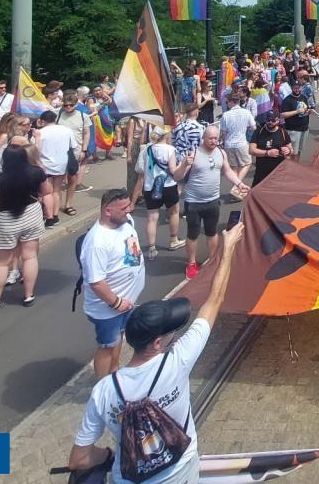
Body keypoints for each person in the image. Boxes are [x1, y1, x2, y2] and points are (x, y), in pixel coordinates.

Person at [67, 222, 244, 484]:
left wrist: (107, 454)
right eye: (172, 330)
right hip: (181, 472)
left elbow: (78, 460)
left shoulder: (104, 391)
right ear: (158, 343)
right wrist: (228, 249)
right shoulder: (177, 362)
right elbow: (214, 300)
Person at [0, 118, 48, 313]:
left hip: (5, 221)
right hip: (31, 216)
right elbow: (47, 191)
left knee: (2, 263)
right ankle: (28, 295)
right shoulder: (36, 173)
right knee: (29, 257)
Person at [80, 188, 147, 380]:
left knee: (118, 337)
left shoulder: (125, 222)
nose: (130, 210)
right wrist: (117, 303)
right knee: (107, 345)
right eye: (124, 208)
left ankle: (114, 371)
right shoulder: (97, 242)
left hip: (125, 302)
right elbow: (96, 282)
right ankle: (102, 387)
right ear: (108, 211)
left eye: (129, 205)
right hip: (108, 308)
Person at [173, 126, 247, 281]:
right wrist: (185, 164)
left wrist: (239, 183)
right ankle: (191, 263)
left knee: (212, 232)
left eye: (216, 138)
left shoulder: (221, 153)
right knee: (193, 234)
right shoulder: (193, 154)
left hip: (213, 200)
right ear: (204, 138)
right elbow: (177, 176)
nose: (214, 141)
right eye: (210, 138)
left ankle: (213, 260)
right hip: (193, 202)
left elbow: (227, 171)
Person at [129, 127, 184, 261]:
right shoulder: (170, 149)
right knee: (173, 212)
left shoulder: (148, 149)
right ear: (166, 135)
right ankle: (173, 240)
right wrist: (182, 164)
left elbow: (144, 168)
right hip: (168, 186)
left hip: (150, 186)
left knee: (152, 218)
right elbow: (172, 170)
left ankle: (152, 248)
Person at [35, 110, 79, 226]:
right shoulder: (66, 130)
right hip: (62, 163)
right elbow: (74, 147)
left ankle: (48, 216)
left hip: (45, 165)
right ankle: (55, 215)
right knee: (57, 190)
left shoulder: (39, 133)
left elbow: (35, 150)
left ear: (42, 120)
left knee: (46, 192)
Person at [217, 92, 255, 186]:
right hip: (241, 142)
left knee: (234, 167)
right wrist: (245, 127)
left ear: (231, 102)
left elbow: (223, 132)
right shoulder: (246, 112)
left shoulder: (225, 115)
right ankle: (237, 186)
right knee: (247, 163)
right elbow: (253, 127)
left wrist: (222, 142)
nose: (226, 104)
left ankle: (236, 185)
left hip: (229, 144)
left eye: (227, 102)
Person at [249, 112, 292, 187]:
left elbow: (291, 149)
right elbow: (251, 150)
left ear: (278, 120)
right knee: (257, 192)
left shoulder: (283, 132)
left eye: (273, 120)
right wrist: (267, 153)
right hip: (261, 172)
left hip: (278, 171)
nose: (270, 122)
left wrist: (288, 151)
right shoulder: (259, 131)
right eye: (268, 120)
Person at [280, 80, 312, 153]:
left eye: (299, 88)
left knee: (299, 151)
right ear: (292, 88)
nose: (297, 90)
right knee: (292, 152)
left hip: (304, 128)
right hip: (293, 130)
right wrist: (297, 111)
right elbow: (282, 115)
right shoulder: (287, 100)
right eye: (295, 88)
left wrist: (308, 112)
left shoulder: (303, 97)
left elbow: (305, 109)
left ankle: (297, 164)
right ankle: (291, 164)